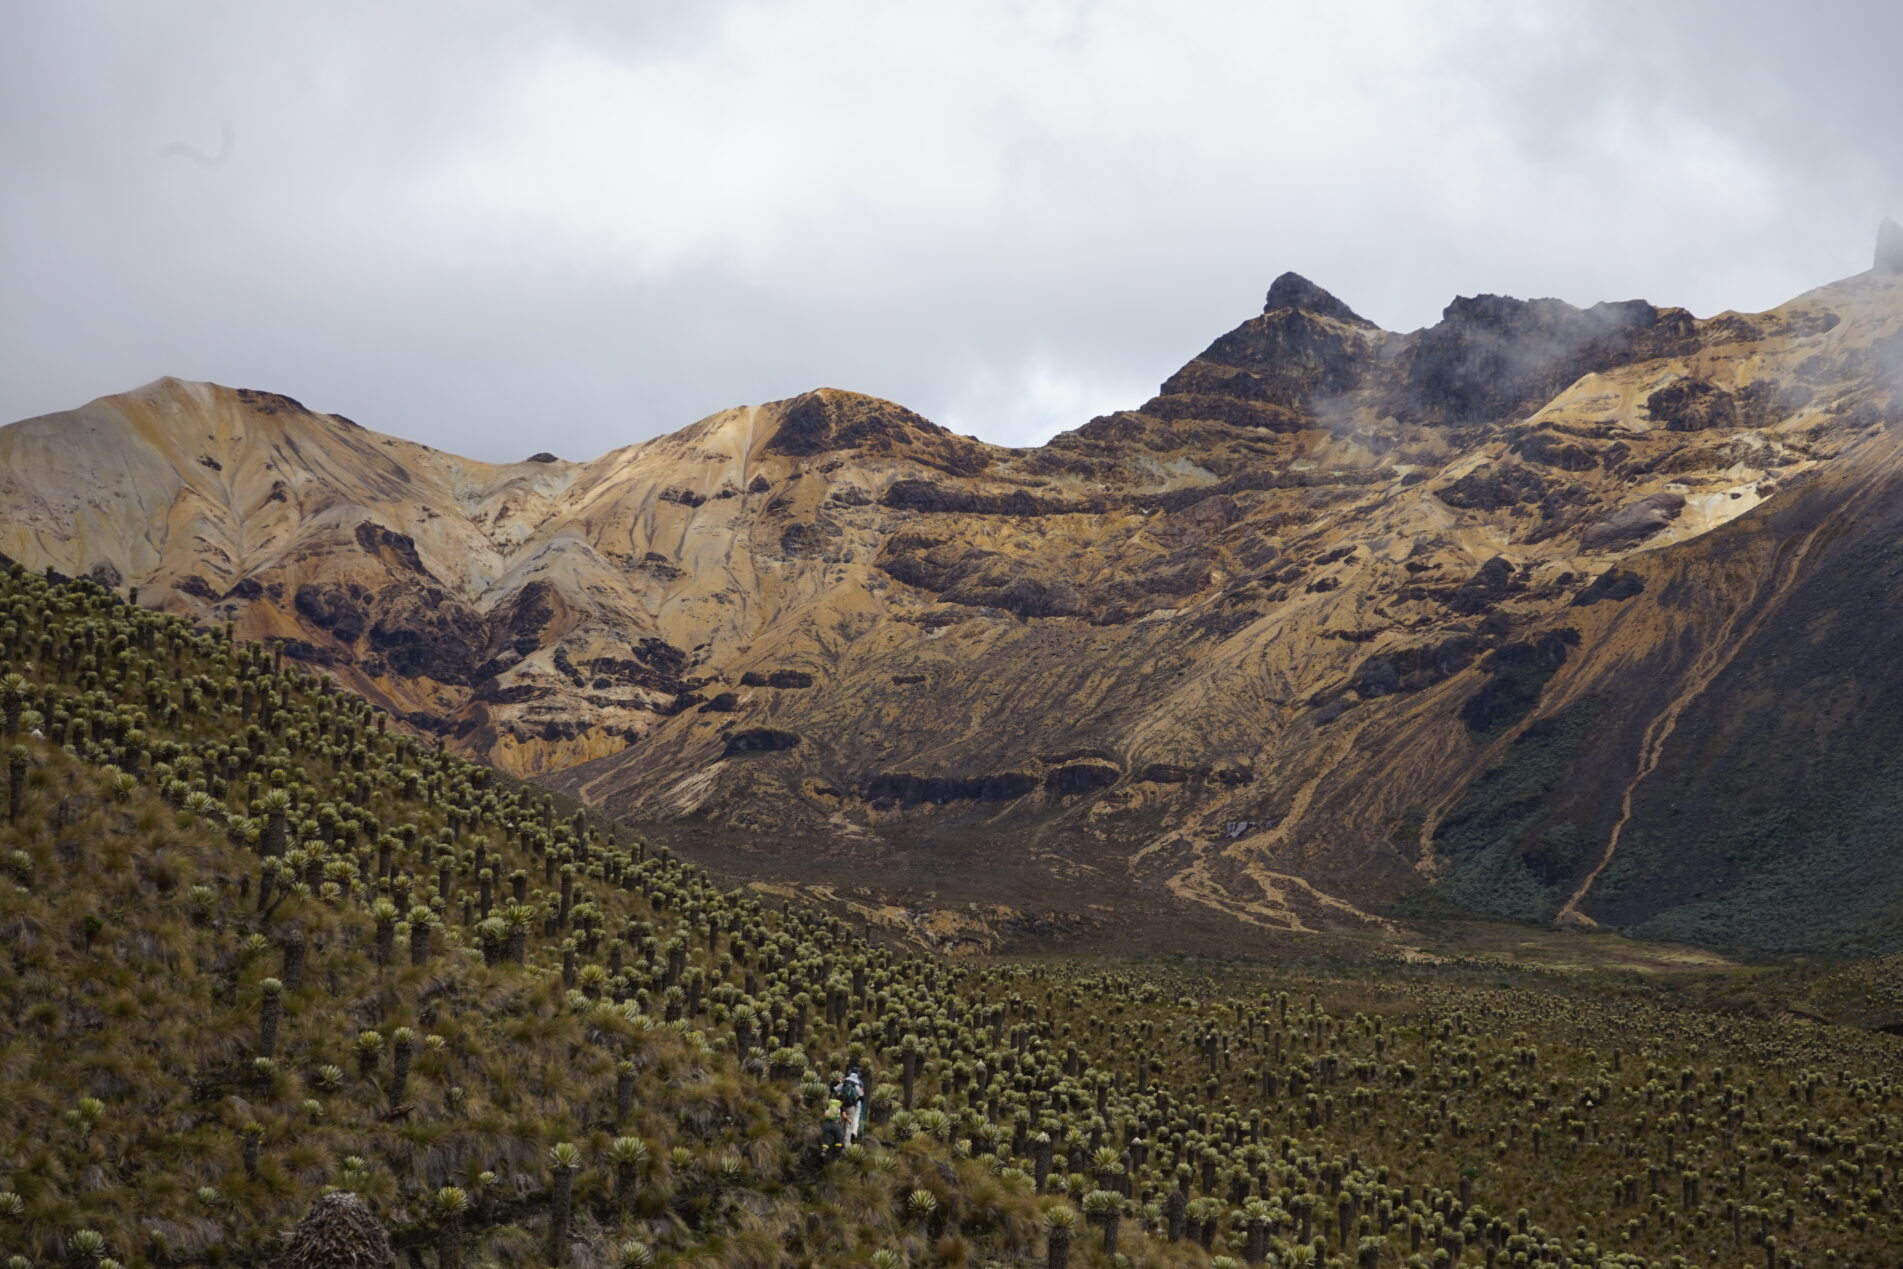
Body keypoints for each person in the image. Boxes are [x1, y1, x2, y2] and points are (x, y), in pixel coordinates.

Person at [835, 1067, 864, 1144]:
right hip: (854, 1104)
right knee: (854, 1119)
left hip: (844, 1103)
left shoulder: (846, 1080)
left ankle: (839, 1140)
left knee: (842, 1121)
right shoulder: (859, 1082)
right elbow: (862, 1095)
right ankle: (851, 1136)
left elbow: (837, 1089)